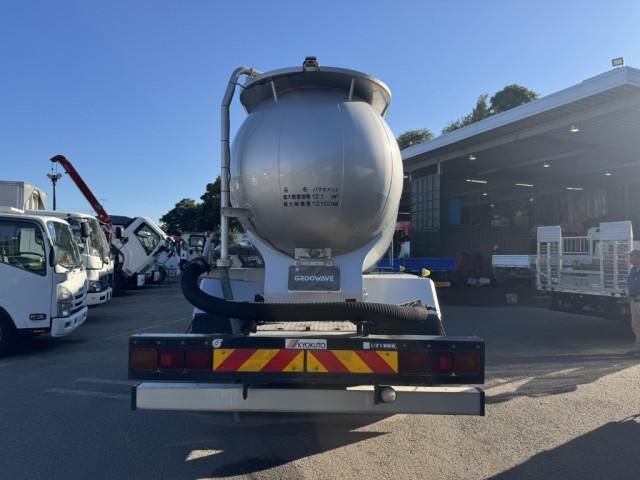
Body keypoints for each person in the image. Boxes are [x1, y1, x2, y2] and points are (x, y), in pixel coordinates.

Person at [627, 249, 640, 351]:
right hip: (634, 301)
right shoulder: (633, 270)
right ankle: (638, 347)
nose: (630, 258)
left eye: (632, 256)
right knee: (635, 325)